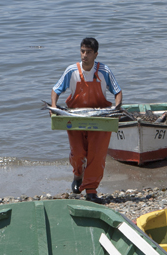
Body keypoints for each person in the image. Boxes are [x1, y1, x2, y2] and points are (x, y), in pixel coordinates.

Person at [51, 37, 122, 202]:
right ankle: (77, 175)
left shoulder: (104, 71)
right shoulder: (71, 71)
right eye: (82, 51)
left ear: (96, 54)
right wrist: (54, 107)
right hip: (75, 117)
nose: (85, 55)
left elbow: (117, 92)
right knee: (78, 153)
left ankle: (91, 190)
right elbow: (56, 90)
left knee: (96, 155)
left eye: (89, 52)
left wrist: (117, 108)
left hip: (99, 119)